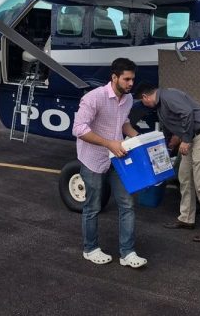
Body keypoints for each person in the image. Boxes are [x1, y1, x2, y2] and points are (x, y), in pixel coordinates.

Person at [72, 57, 147, 269]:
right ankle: (90, 249)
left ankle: (128, 253)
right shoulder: (94, 98)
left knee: (127, 204)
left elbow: (122, 122)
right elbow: (78, 129)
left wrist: (138, 138)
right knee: (93, 206)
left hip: (118, 158)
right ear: (114, 77)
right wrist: (109, 144)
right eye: (127, 79)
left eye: (133, 79)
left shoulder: (129, 99)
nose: (131, 83)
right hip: (93, 159)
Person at [135, 82, 200, 242]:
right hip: (193, 138)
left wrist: (186, 140)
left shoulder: (168, 95)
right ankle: (186, 218)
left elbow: (187, 113)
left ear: (145, 97)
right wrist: (166, 151)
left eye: (143, 102)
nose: (145, 105)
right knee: (184, 177)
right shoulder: (161, 106)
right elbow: (168, 130)